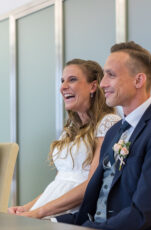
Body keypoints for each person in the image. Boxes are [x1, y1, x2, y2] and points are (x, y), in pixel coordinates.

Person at [54, 41, 151, 230]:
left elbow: (142, 214)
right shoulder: (114, 132)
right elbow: (95, 204)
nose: (102, 84)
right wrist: (54, 221)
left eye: (111, 75)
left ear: (139, 80)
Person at [8, 59, 120, 219]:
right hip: (49, 210)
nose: (63, 87)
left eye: (72, 79)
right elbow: (60, 184)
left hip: (75, 214)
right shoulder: (70, 130)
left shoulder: (108, 122)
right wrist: (25, 208)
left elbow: (92, 184)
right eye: (62, 81)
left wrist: (38, 213)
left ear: (93, 86)